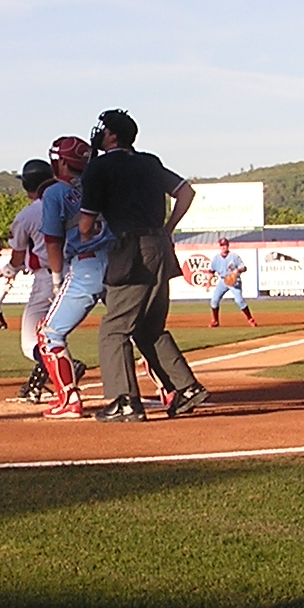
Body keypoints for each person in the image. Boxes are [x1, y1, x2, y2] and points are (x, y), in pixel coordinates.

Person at [77, 108, 209, 422]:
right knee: (149, 328)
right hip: (160, 246)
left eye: (104, 130)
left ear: (111, 136)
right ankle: (186, 388)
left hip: (130, 248)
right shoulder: (149, 162)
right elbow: (185, 192)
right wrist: (168, 228)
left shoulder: (100, 167)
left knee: (114, 329)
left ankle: (124, 400)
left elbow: (85, 225)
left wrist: (87, 234)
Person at [35, 134, 103, 419]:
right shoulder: (97, 184)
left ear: (61, 162)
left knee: (48, 333)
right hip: (117, 260)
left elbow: (52, 239)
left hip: (86, 266)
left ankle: (69, 399)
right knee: (135, 330)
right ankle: (169, 390)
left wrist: (56, 278)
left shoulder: (54, 193)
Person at [6, 158, 57, 402]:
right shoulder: (68, 202)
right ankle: (35, 385)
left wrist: (9, 269)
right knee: (55, 333)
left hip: (47, 280)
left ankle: (66, 367)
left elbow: (17, 257)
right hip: (77, 275)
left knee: (31, 343)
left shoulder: (27, 214)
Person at [205, 238, 257, 327]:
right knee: (214, 301)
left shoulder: (234, 257)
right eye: (222, 245)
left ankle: (250, 319)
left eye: (225, 245)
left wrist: (238, 271)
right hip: (223, 281)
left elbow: (244, 268)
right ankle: (215, 321)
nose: (223, 247)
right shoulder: (216, 258)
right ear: (220, 246)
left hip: (234, 281)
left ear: (228, 246)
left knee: (239, 301)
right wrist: (208, 282)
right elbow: (211, 271)